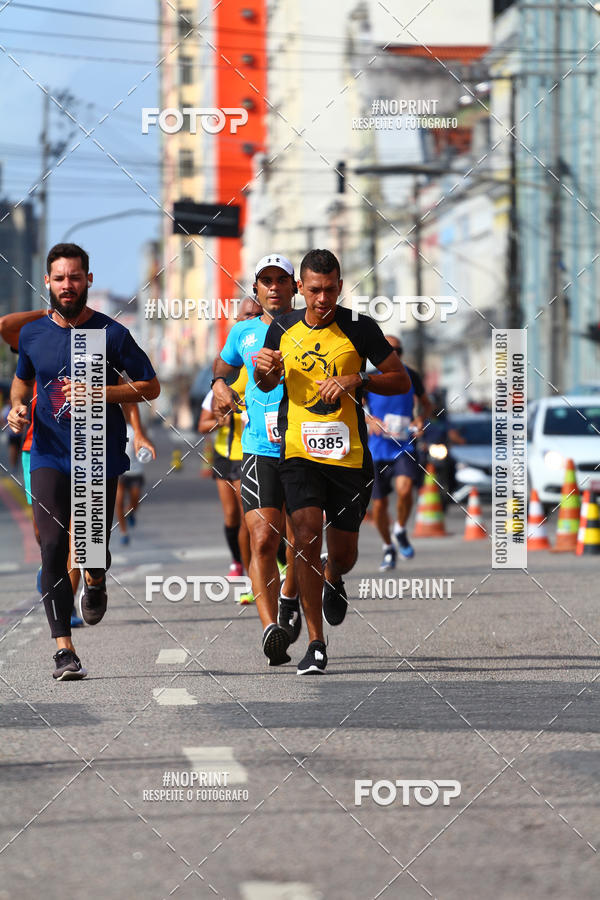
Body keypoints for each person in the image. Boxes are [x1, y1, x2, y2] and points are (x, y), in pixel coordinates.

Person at [7, 243, 160, 680]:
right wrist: (17, 409)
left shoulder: (111, 333)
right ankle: (64, 651)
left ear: (88, 280)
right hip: (49, 454)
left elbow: (151, 386)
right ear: (48, 284)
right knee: (53, 547)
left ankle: (95, 580)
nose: (67, 285)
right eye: (59, 278)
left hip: (96, 454)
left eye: (75, 277)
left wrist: (102, 393)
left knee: (92, 553)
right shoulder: (34, 334)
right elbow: (22, 385)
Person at [255, 249, 410, 674]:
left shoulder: (360, 328)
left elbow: (400, 379)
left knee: (342, 553)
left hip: (349, 457)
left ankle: (334, 577)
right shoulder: (282, 327)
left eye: (330, 289)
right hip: (298, 452)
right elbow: (268, 382)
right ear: (300, 289)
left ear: (340, 287)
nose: (322, 298)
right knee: (304, 535)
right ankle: (317, 643)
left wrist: (357, 378)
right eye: (315, 290)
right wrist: (262, 369)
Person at [211, 254, 300, 665]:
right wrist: (218, 385)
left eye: (282, 280)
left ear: (295, 287)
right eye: (266, 281)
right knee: (263, 537)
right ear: (257, 290)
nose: (274, 287)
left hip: (306, 448)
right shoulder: (243, 332)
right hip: (258, 446)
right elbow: (223, 365)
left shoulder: (312, 328)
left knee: (301, 542)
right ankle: (270, 630)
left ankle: (290, 595)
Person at [198, 297, 262, 578]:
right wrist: (219, 420)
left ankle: (254, 572)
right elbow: (203, 424)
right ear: (237, 321)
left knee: (252, 520)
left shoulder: (263, 366)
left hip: (254, 452)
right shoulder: (223, 376)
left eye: (257, 315)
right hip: (226, 453)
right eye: (246, 315)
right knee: (233, 518)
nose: (251, 320)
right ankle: (240, 563)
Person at [365, 336, 433, 569]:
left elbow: (427, 404)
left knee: (405, 490)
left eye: (397, 350)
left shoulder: (410, 375)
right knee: (380, 505)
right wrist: (369, 420)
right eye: (388, 349)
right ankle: (387, 546)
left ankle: (401, 530)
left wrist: (420, 419)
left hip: (403, 445)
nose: (393, 353)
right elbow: (353, 403)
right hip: (376, 449)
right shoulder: (369, 376)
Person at [115, 410, 156, 545]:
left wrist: (147, 448)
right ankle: (124, 533)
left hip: (136, 472)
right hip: (121, 472)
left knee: (135, 501)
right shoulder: (116, 426)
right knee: (119, 503)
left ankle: (131, 512)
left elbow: (150, 444)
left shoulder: (139, 428)